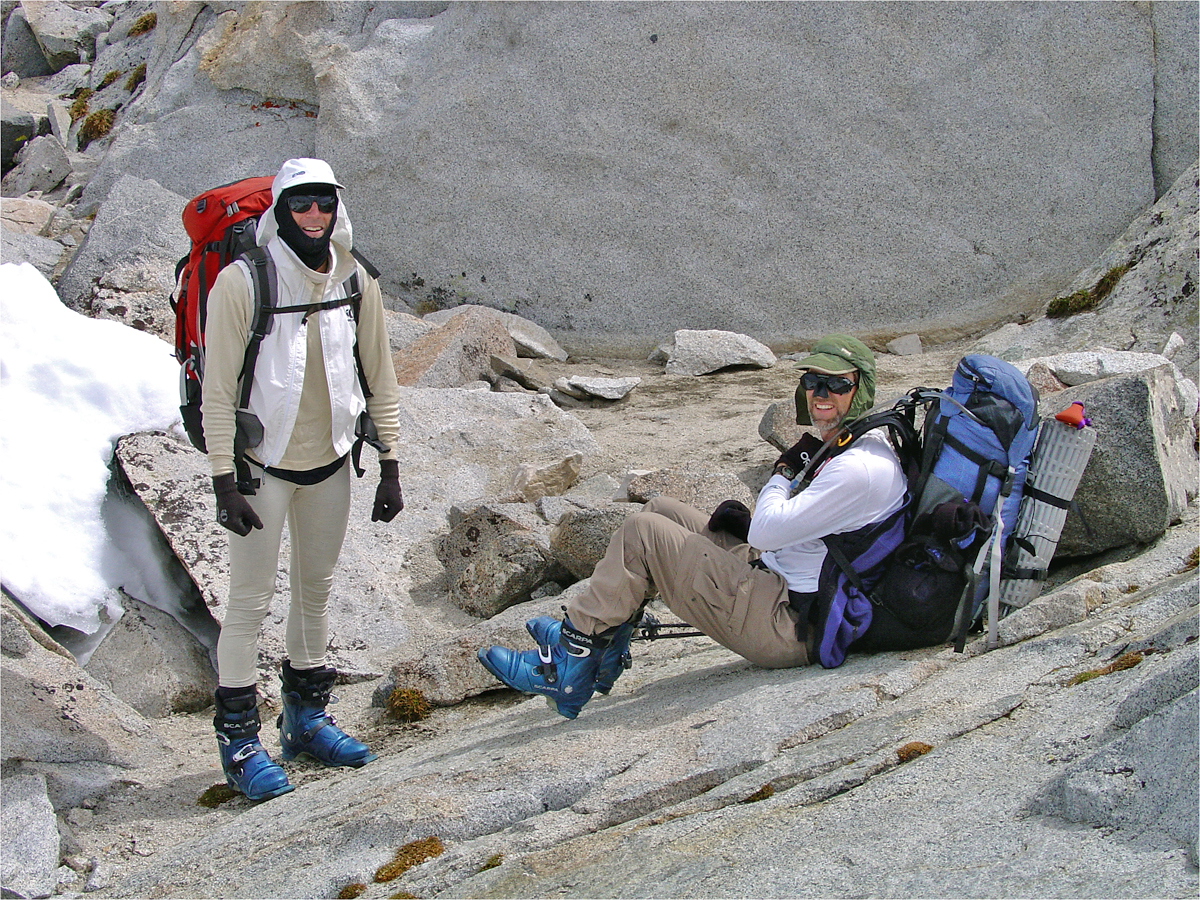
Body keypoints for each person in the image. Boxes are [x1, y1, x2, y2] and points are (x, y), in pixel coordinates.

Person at [477, 334, 905, 719]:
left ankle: (570, 664)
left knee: (643, 534)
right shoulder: (865, 441)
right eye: (812, 382)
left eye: (837, 384)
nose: (820, 394)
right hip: (789, 579)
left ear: (861, 389)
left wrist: (784, 468)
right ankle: (603, 647)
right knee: (662, 508)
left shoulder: (857, 468)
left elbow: (765, 532)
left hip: (791, 622)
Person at [202, 158, 403, 800]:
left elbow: (382, 375)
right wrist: (222, 481)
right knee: (247, 603)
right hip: (261, 470)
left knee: (313, 593)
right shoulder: (242, 283)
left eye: (323, 202)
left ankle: (305, 720)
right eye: (300, 203)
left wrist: (390, 463)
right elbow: (216, 393)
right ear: (280, 209)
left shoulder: (356, 279)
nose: (313, 215)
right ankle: (239, 742)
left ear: (336, 205)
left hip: (331, 465)